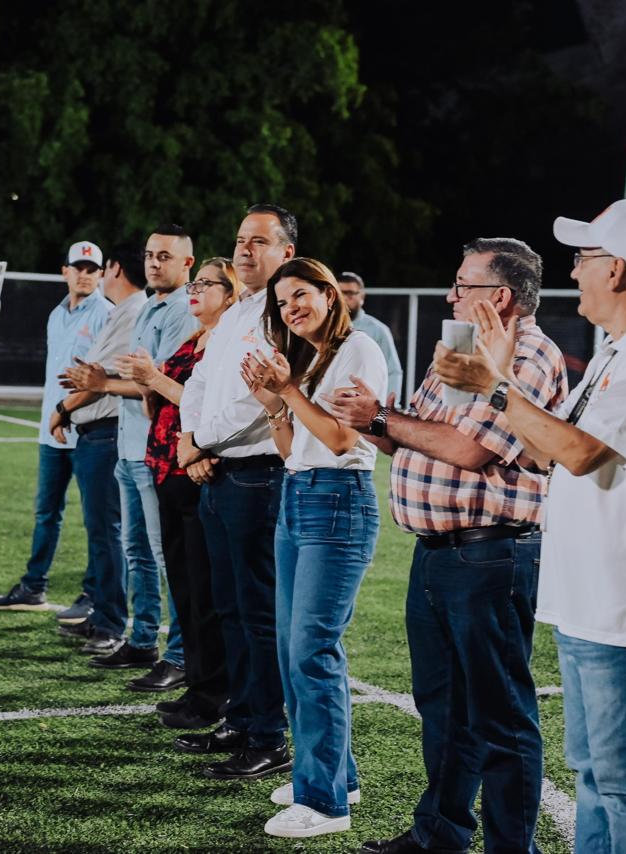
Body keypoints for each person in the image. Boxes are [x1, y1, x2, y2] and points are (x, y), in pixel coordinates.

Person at [434, 200, 626, 854]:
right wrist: (499, 380)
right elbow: (547, 451)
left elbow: (583, 454)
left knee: (623, 777)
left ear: (616, 269)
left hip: (623, 600)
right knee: (593, 770)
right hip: (592, 593)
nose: (573, 272)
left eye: (584, 258)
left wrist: (496, 386)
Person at [330, 239, 568, 854]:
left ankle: (510, 848)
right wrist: (371, 417)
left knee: (499, 715)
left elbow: (469, 449)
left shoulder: (531, 353)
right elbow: (412, 434)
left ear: (501, 296)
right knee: (441, 707)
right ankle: (441, 834)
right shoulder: (461, 347)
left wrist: (384, 420)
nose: (450, 294)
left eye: (463, 284)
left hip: (490, 553)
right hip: (439, 552)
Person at [238, 258, 387, 839]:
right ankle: (333, 777)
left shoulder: (359, 348)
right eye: (282, 302)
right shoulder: (312, 358)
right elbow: (292, 447)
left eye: (300, 294)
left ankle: (324, 803)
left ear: (329, 294)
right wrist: (273, 402)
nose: (290, 308)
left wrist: (289, 391)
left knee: (312, 651)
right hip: (300, 495)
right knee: (290, 650)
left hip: (338, 500)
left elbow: (342, 438)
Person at [173, 204, 296, 781]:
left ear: (287, 252)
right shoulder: (238, 310)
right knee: (229, 608)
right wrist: (191, 438)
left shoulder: (282, 312)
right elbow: (199, 382)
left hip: (258, 477)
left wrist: (200, 442)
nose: (245, 249)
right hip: (223, 474)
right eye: (242, 239)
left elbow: (260, 402)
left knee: (257, 614)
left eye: (259, 241)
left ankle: (268, 735)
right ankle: (240, 719)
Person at [65, 225, 196, 687]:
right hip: (130, 444)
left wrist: (101, 384)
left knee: (165, 556)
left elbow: (161, 383)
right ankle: (143, 640)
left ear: (187, 264)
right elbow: (139, 379)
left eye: (165, 256)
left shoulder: (182, 311)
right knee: (137, 551)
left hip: (157, 452)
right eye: (150, 255)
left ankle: (180, 654)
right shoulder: (148, 307)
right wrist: (104, 381)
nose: (154, 263)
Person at [117, 257, 243, 728]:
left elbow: (207, 404)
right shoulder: (195, 338)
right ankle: (198, 683)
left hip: (194, 473)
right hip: (166, 469)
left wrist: (155, 379)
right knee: (186, 589)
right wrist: (148, 385)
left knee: (201, 591)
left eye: (207, 284)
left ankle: (212, 693)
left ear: (230, 295)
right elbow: (168, 403)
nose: (195, 290)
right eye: (196, 283)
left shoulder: (227, 341)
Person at [0, 242, 111, 610]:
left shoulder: (106, 314)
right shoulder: (56, 315)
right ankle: (33, 586)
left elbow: (102, 381)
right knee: (46, 513)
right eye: (79, 268)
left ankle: (94, 594)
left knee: (97, 521)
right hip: (51, 432)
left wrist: (68, 412)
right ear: (65, 271)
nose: (85, 275)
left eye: (92, 269)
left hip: (88, 431)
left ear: (101, 275)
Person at [48, 243, 148, 656]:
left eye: (101, 268)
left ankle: (111, 623)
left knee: (109, 534)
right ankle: (104, 613)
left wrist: (62, 409)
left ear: (115, 268)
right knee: (105, 533)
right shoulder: (123, 310)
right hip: (100, 432)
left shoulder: (130, 310)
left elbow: (94, 379)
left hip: (105, 434)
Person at [338, 271, 404, 402]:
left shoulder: (378, 330)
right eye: (341, 293)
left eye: (350, 293)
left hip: (366, 403)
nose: (345, 298)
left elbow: (392, 371)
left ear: (361, 296)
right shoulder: (325, 328)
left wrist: (390, 407)